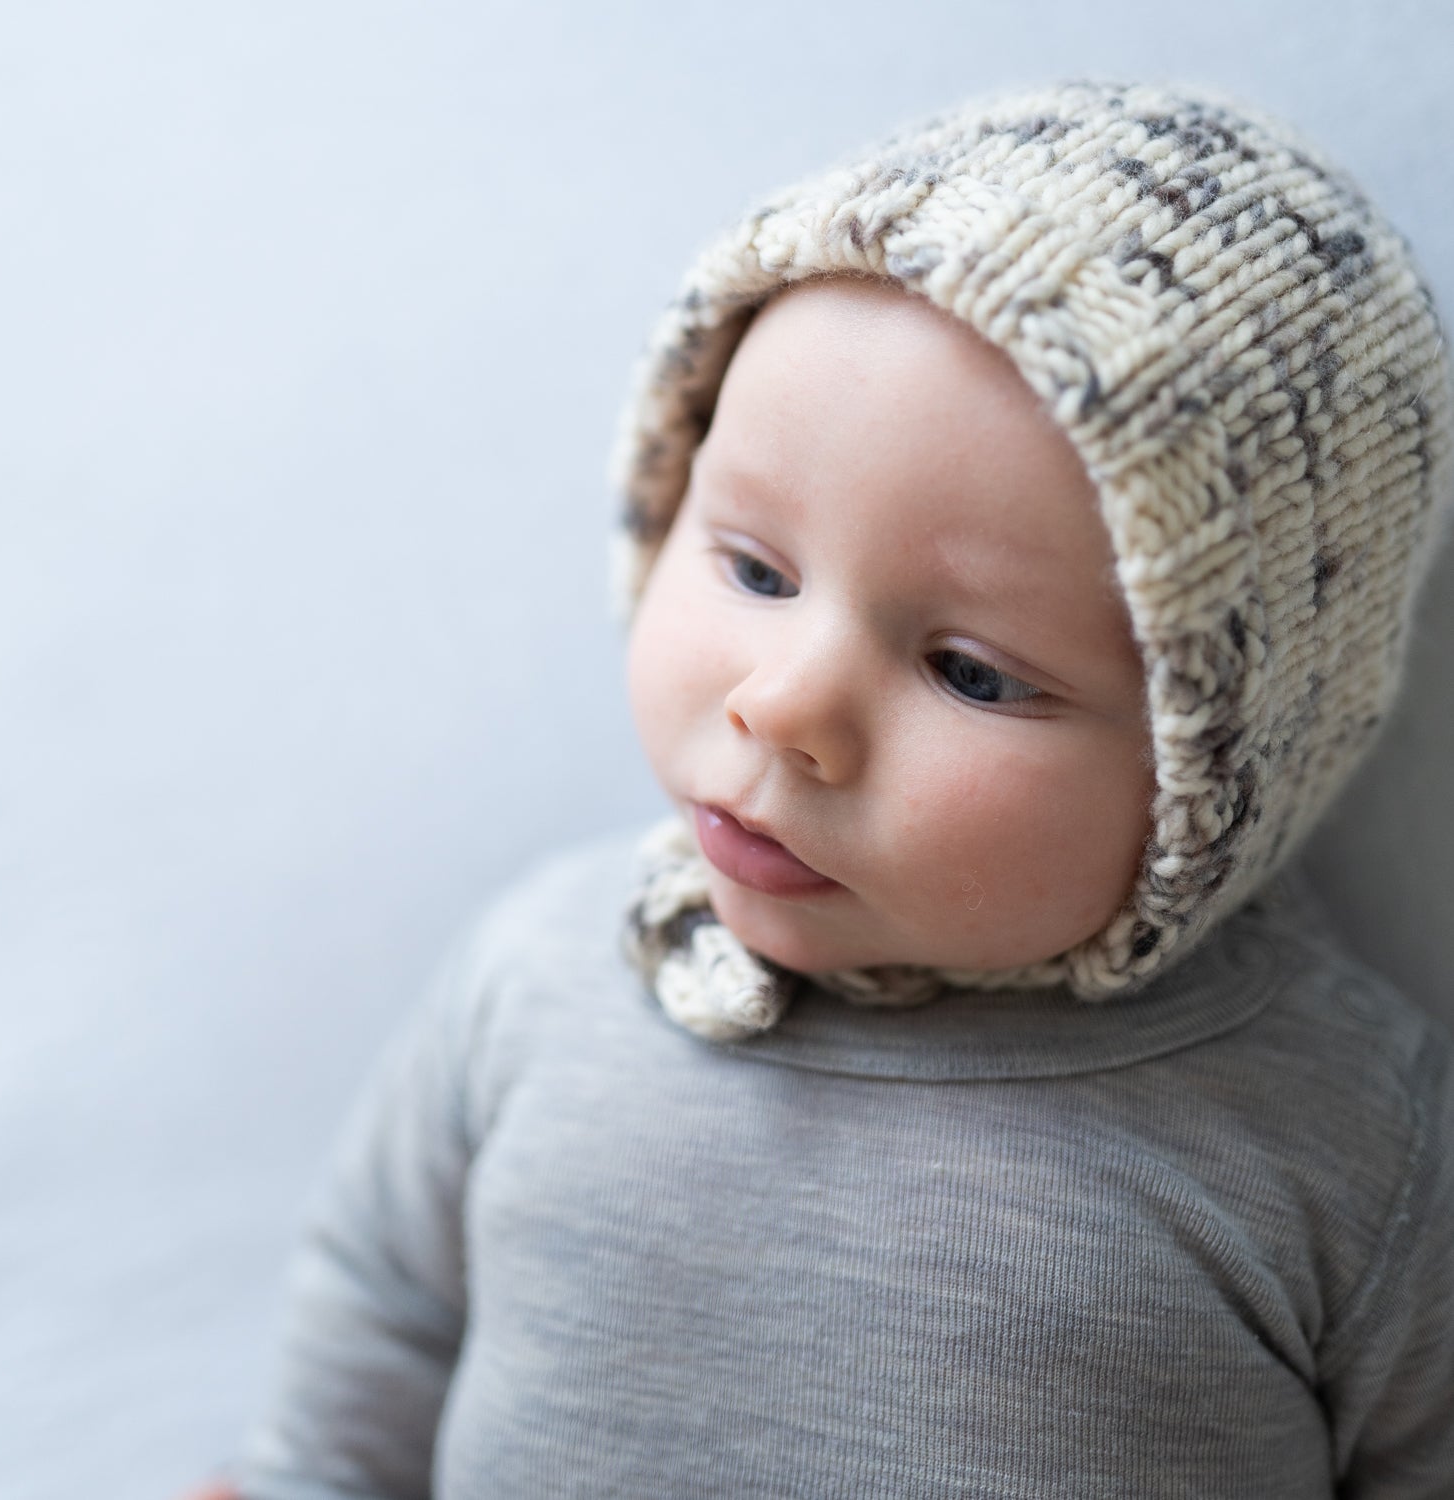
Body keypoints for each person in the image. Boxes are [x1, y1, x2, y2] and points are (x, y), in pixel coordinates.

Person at [221, 81, 1454, 1496]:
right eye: (754, 569)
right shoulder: (542, 977)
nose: (784, 706)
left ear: (1221, 765)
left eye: (972, 673)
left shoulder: (1345, 1146)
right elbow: (385, 1300)